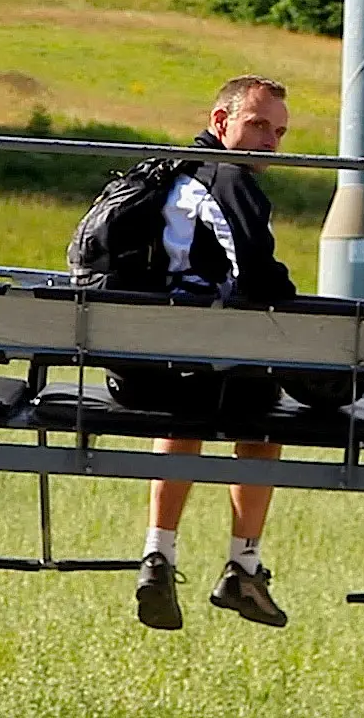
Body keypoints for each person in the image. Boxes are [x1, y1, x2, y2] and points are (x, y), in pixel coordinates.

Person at [126, 74, 297, 631]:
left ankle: (159, 551)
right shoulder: (231, 178)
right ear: (220, 122)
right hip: (202, 368)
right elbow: (257, 272)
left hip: (140, 367)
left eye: (278, 132)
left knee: (187, 407)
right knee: (265, 419)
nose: (269, 141)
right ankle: (244, 564)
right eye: (257, 125)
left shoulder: (164, 170)